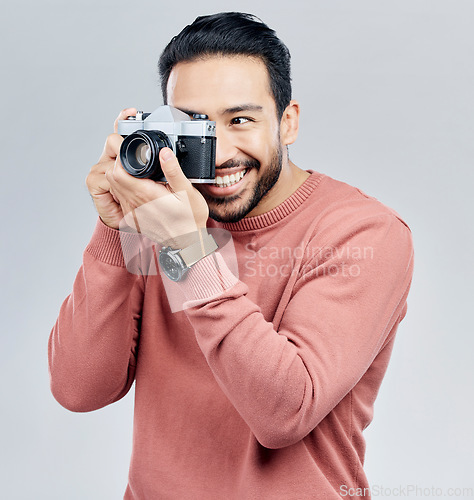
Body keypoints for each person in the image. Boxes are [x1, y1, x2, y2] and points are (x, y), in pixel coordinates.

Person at [48, 12, 414, 499]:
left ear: (288, 122)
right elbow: (79, 388)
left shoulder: (365, 233)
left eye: (240, 120)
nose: (218, 152)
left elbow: (284, 413)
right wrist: (116, 226)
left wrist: (189, 248)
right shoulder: (161, 213)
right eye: (194, 126)